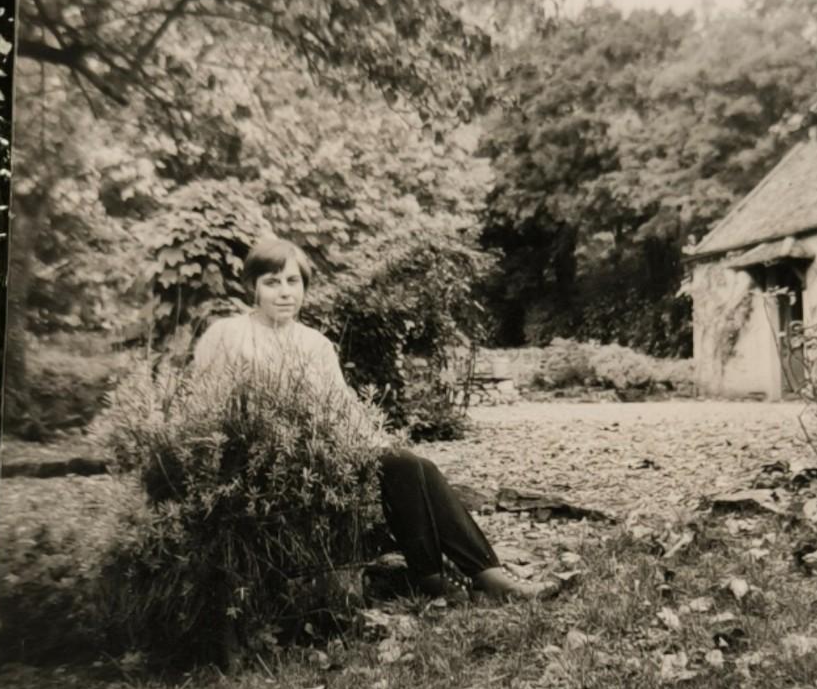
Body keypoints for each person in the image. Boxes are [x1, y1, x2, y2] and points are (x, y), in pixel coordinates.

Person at [191, 236, 557, 602]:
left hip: (321, 454)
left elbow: (342, 408)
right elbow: (205, 405)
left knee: (412, 465)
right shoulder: (228, 335)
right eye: (272, 282)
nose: (285, 292)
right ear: (251, 287)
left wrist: (377, 444)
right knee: (407, 464)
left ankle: (479, 577)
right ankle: (443, 578)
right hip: (256, 458)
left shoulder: (314, 343)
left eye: (293, 281)